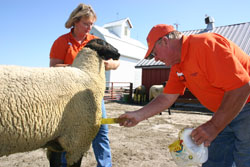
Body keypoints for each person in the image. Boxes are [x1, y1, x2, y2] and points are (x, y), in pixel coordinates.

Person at [119, 24, 250, 167]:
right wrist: (138, 115)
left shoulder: (205, 45)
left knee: (245, 159)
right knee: (214, 161)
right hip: (225, 111)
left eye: (154, 53)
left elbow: (242, 88)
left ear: (165, 41)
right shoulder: (178, 65)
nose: (155, 59)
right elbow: (167, 97)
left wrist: (214, 126)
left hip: (244, 106)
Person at [49, 3, 120, 167]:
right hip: (67, 96)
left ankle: (105, 164)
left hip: (91, 94)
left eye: (92, 24)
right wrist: (78, 67)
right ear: (75, 21)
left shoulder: (96, 42)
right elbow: (54, 66)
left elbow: (116, 63)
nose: (89, 27)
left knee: (100, 130)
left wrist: (107, 65)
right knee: (67, 131)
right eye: (86, 24)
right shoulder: (61, 41)